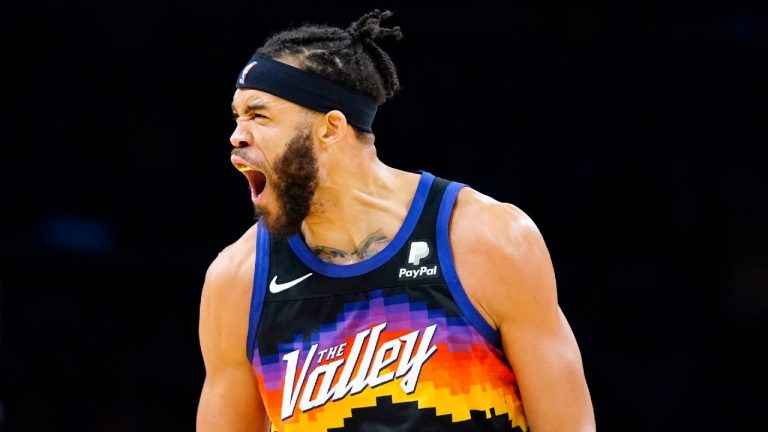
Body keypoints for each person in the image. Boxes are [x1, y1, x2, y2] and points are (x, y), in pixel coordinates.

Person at [197, 9, 595, 432]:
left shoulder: (486, 238)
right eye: (237, 117)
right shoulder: (237, 281)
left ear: (331, 128)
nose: (237, 135)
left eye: (259, 115)